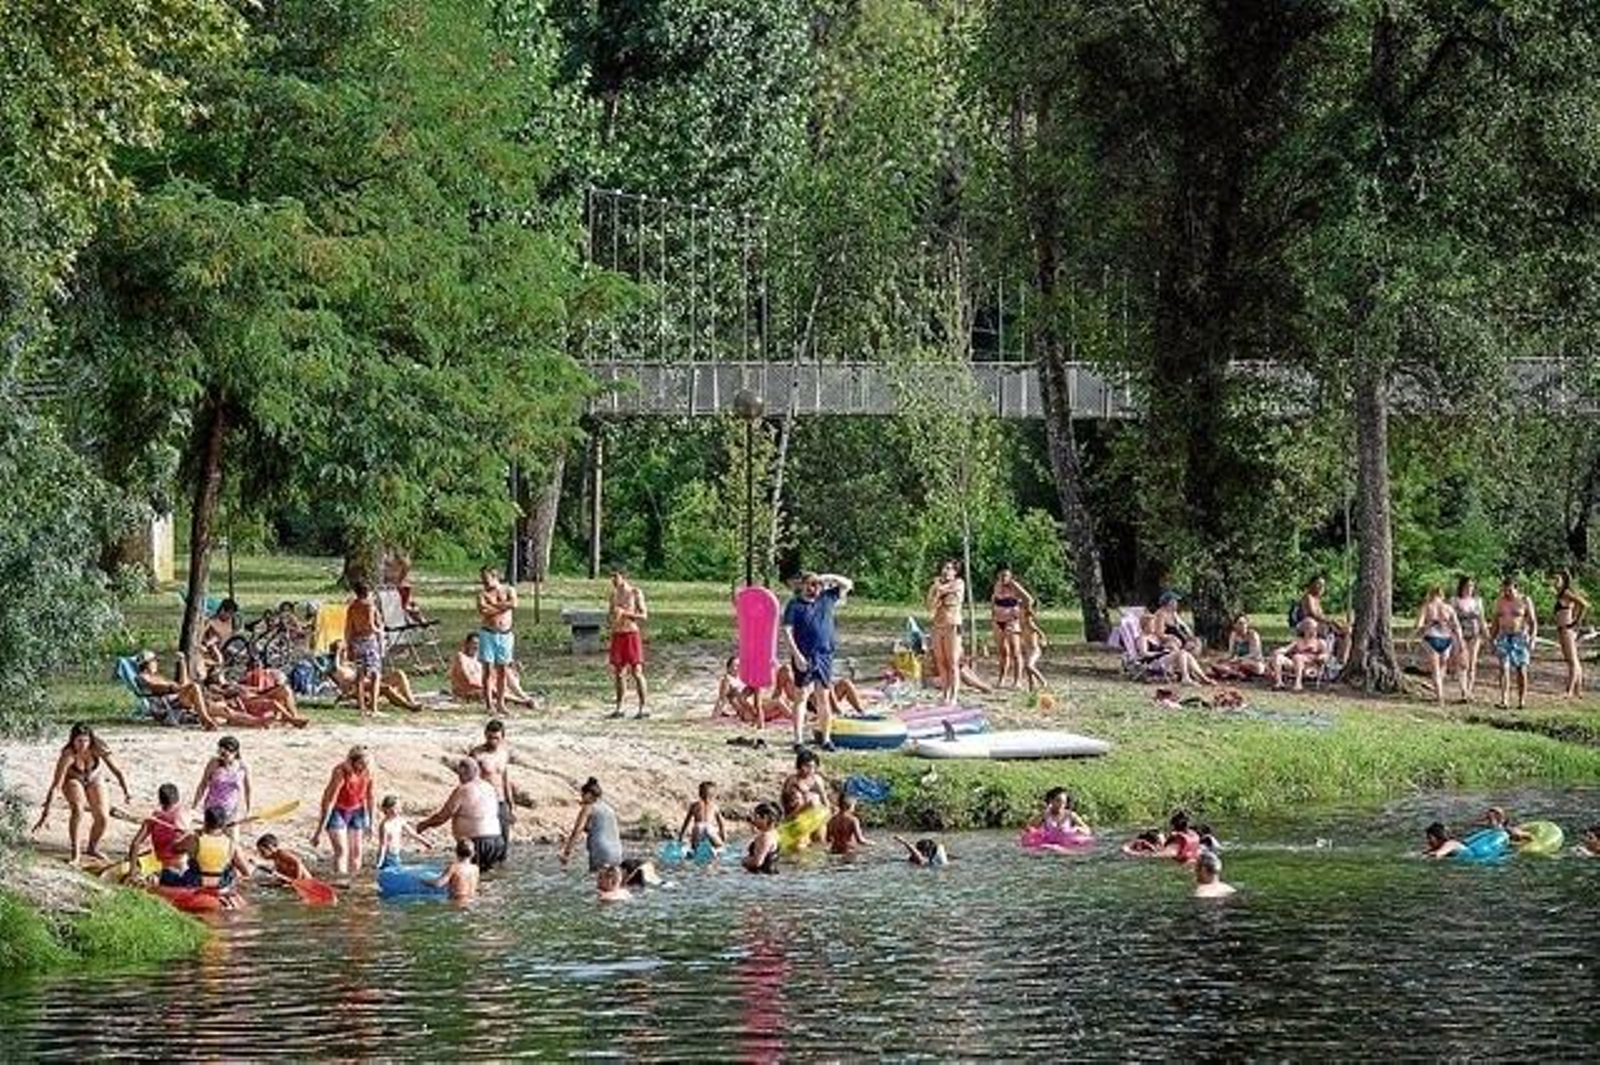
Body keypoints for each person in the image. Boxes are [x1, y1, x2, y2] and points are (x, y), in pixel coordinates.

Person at [32, 723, 132, 863]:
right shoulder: (68, 755)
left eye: (85, 740)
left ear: (90, 740)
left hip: (94, 777)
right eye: (79, 741)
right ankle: (76, 853)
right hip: (73, 779)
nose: (82, 744)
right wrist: (46, 813)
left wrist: (126, 790)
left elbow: (117, 770)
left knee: (103, 817)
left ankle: (92, 847)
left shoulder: (98, 748)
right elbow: (56, 786)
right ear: (73, 740)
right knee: (78, 810)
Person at [781, 570, 854, 752]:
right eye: (811, 584)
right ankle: (798, 741)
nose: (814, 588)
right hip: (804, 656)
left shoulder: (826, 599)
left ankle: (826, 739)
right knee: (801, 697)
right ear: (803, 585)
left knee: (824, 698)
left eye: (817, 584)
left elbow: (847, 584)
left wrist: (826, 577)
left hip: (824, 656)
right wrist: (797, 655)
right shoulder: (794, 605)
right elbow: (787, 632)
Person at [416, 758, 507, 871]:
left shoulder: (463, 790)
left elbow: (442, 817)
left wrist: (423, 825)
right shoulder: (490, 788)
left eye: (460, 774)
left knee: (467, 876)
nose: (459, 778)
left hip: (477, 842)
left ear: (464, 772)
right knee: (487, 877)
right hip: (496, 840)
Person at [311, 746, 376, 877]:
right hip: (337, 811)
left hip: (357, 811)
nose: (363, 767)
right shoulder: (340, 772)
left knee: (357, 851)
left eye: (366, 764)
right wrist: (319, 831)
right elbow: (329, 801)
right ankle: (342, 881)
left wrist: (371, 823)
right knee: (342, 851)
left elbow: (371, 797)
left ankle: (353, 883)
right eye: (361, 764)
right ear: (352, 761)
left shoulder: (369, 771)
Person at [122, 783, 191, 886]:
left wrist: (132, 871)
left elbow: (135, 844)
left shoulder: (154, 818)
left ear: (160, 800)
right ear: (177, 799)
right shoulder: (183, 814)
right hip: (181, 867)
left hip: (163, 867)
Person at [328, 640, 424, 713]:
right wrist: (338, 651)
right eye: (343, 651)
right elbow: (339, 669)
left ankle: (412, 701)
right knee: (387, 688)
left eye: (346, 650)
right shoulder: (337, 669)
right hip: (361, 691)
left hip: (370, 683)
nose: (346, 652)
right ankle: (409, 707)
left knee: (399, 674)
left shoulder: (350, 665)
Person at [607, 567, 650, 719]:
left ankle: (643, 707)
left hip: (631, 634)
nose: (613, 580)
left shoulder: (635, 592)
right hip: (617, 635)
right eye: (611, 577)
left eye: (615, 576)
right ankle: (620, 707)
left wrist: (625, 613)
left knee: (637, 672)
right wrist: (612, 619)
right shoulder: (613, 595)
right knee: (619, 673)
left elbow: (644, 615)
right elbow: (610, 615)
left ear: (624, 577)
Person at [476, 565, 518, 716]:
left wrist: (493, 606)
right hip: (488, 633)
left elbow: (513, 604)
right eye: (482, 580)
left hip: (505, 634)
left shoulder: (508, 590)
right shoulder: (482, 594)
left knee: (503, 669)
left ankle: (501, 703)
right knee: (487, 669)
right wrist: (503, 607)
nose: (484, 583)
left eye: (486, 579)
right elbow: (483, 610)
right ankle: (489, 704)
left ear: (495, 577)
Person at [450, 633, 536, 708]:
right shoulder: (461, 657)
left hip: (482, 687)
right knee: (491, 689)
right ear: (467, 644)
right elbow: (468, 680)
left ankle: (522, 695)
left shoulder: (479, 659)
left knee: (505, 671)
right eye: (474, 643)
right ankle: (521, 702)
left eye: (479, 644)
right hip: (467, 690)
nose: (476, 646)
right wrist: (488, 685)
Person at [1491, 576, 1538, 710]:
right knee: (1503, 668)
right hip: (1503, 637)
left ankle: (1521, 700)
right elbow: (1495, 622)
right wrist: (1491, 639)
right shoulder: (1499, 601)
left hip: (1520, 637)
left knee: (1521, 669)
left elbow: (1533, 622)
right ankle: (1504, 700)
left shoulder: (1524, 600)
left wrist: (1532, 638)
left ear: (1515, 588)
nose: (1507, 593)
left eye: (1509, 590)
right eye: (1505, 590)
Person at [184, 806, 253, 896]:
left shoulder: (193, 839)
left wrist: (189, 834)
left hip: (196, 884)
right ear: (223, 823)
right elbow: (246, 872)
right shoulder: (231, 843)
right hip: (222, 887)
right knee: (234, 871)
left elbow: (175, 848)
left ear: (205, 821)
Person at [559, 777, 623, 873]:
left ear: (589, 794)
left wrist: (566, 853)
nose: (581, 798)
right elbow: (601, 829)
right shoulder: (609, 809)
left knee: (597, 883)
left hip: (601, 853)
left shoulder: (588, 808)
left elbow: (577, 831)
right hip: (618, 853)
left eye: (582, 795)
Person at [192, 735, 251, 839]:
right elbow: (203, 784)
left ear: (235, 752)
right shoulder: (214, 763)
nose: (223, 756)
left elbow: (248, 789)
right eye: (220, 753)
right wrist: (194, 806)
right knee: (209, 839)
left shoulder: (243, 766)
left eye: (226, 753)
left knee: (233, 840)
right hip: (213, 809)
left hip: (231, 809)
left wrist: (248, 809)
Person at [1413, 587, 1463, 706]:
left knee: (1435, 668)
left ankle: (1440, 696)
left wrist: (1424, 626)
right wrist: (1460, 641)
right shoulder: (1448, 608)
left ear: (1431, 595)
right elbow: (1457, 626)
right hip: (1446, 639)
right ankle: (1439, 691)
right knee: (1442, 666)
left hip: (1432, 638)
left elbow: (1418, 625)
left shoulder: (1427, 607)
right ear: (1442, 595)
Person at [926, 560, 966, 706]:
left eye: (949, 568)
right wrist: (934, 592)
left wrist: (937, 587)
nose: (946, 571)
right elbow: (929, 606)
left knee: (953, 662)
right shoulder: (936, 586)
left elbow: (944, 589)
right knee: (941, 662)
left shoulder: (958, 583)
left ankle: (954, 696)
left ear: (955, 571)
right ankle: (945, 693)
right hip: (937, 625)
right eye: (944, 568)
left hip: (952, 626)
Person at [131, 650, 207, 726]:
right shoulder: (142, 677)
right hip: (168, 705)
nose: (156, 664)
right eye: (154, 661)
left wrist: (182, 663)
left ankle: (207, 719)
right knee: (194, 687)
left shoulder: (158, 677)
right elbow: (155, 687)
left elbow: (183, 683)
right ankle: (204, 719)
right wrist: (171, 687)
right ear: (146, 664)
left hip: (177, 701)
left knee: (214, 707)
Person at [471, 719, 516, 844]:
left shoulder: (504, 753)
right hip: (484, 803)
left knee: (504, 839)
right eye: (490, 737)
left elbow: (505, 780)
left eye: (496, 738)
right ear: (485, 734)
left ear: (503, 737)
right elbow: (469, 782)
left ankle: (502, 863)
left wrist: (511, 805)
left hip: (501, 802)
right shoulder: (477, 754)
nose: (492, 741)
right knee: (485, 840)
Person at [343, 581, 385, 717]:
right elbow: (372, 626)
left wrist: (348, 645)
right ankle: (374, 708)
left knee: (360, 676)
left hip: (357, 642)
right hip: (369, 642)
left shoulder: (352, 607)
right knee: (375, 675)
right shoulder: (369, 606)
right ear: (368, 592)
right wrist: (381, 630)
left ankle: (361, 708)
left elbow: (348, 629)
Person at [990, 566, 1035, 688]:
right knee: (1003, 652)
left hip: (1011, 621)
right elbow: (993, 599)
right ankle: (1001, 679)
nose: (1003, 578)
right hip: (998, 621)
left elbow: (1029, 599)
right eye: (1001, 576)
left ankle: (1017, 681)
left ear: (1010, 577)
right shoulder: (997, 585)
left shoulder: (1014, 586)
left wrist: (1026, 612)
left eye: (1006, 576)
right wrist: (992, 614)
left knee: (1015, 651)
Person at [1137, 614, 1212, 686]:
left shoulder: (1153, 637)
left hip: (1162, 658)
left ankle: (1203, 678)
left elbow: (1161, 646)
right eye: (1152, 624)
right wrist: (1161, 652)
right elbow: (1144, 654)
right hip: (1153, 663)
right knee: (1181, 653)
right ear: (1145, 626)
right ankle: (1185, 678)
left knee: (1186, 654)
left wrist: (1168, 647)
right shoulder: (1142, 638)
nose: (1154, 626)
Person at [1292, 575, 1348, 666]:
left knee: (1345, 632)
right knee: (1342, 631)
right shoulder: (1308, 597)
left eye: (1323, 585)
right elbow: (1313, 614)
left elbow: (1321, 615)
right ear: (1311, 585)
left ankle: (1341, 660)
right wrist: (1332, 621)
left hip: (1319, 625)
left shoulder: (1316, 599)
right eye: (1319, 584)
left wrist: (1335, 621)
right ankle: (1340, 661)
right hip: (1308, 625)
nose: (1322, 587)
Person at [780, 749, 830, 847]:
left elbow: (825, 802)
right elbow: (787, 808)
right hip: (797, 819)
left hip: (814, 818)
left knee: (820, 843)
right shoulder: (792, 782)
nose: (811, 770)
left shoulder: (817, 780)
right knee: (801, 848)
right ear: (799, 766)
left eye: (814, 767)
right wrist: (806, 806)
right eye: (807, 766)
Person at [1552, 570, 1589, 698]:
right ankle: (1578, 690)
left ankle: (1569, 691)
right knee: (1574, 660)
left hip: (1567, 629)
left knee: (1572, 660)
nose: (1554, 582)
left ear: (1564, 581)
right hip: (1564, 629)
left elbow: (1584, 605)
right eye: (1554, 579)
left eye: (1557, 580)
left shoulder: (1566, 593)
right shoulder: (1560, 594)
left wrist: (1576, 621)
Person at [375, 795, 434, 869]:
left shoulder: (400, 820)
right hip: (387, 857)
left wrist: (425, 842)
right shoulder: (385, 825)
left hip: (396, 855)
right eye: (394, 808)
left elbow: (412, 833)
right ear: (386, 809)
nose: (397, 810)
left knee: (397, 869)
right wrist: (379, 863)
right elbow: (383, 845)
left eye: (398, 808)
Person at [1271, 619, 1330, 691]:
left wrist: (1318, 657)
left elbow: (1326, 655)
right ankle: (1279, 682)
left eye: (1315, 628)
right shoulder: (1298, 640)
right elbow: (1287, 649)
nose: (1314, 631)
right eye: (1310, 628)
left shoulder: (1320, 642)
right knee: (1278, 657)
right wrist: (1279, 651)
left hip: (1310, 667)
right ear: (1304, 629)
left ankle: (1298, 684)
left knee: (1298, 657)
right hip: (1295, 664)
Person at [1453, 576, 1486, 702]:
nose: (1469, 588)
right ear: (1461, 586)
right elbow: (1451, 619)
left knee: (1472, 663)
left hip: (1475, 634)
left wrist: (1487, 635)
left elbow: (1482, 619)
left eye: (1472, 586)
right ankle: (1463, 691)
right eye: (1467, 586)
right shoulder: (1455, 601)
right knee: (1462, 663)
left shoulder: (1477, 601)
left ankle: (1470, 691)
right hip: (1460, 634)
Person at [676, 781, 727, 852]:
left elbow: (686, 822)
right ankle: (715, 852)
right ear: (713, 795)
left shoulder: (694, 805)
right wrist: (723, 838)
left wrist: (681, 837)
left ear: (699, 793)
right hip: (709, 827)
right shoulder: (715, 806)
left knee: (693, 849)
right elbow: (721, 824)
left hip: (698, 827)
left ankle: (692, 853)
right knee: (720, 847)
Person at [1217, 614, 1266, 679]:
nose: (1243, 626)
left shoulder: (1253, 635)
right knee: (1216, 665)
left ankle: (1231, 672)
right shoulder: (1233, 635)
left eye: (1244, 623)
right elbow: (1231, 653)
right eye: (1240, 623)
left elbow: (1255, 654)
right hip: (1238, 662)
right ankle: (1237, 673)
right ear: (1235, 625)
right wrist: (1223, 659)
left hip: (1254, 662)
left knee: (1244, 664)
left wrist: (1239, 659)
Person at [199, 598, 240, 673]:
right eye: (229, 614)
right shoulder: (211, 622)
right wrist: (209, 643)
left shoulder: (229, 621)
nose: (230, 617)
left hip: (231, 647)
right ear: (222, 610)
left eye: (232, 614)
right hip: (217, 651)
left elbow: (231, 634)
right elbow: (200, 638)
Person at [743, 804, 780, 874]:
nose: (754, 820)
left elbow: (757, 862)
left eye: (756, 817)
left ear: (765, 818)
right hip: (770, 876)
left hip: (760, 877)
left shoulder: (765, 837)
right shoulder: (774, 833)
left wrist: (744, 861)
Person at [1019, 605, 1048, 691]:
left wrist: (1043, 640)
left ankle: (1043, 681)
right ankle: (1031, 687)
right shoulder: (1022, 624)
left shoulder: (1029, 623)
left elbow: (1040, 632)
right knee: (1028, 669)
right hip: (1028, 650)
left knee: (1029, 666)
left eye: (1021, 611)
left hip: (1035, 650)